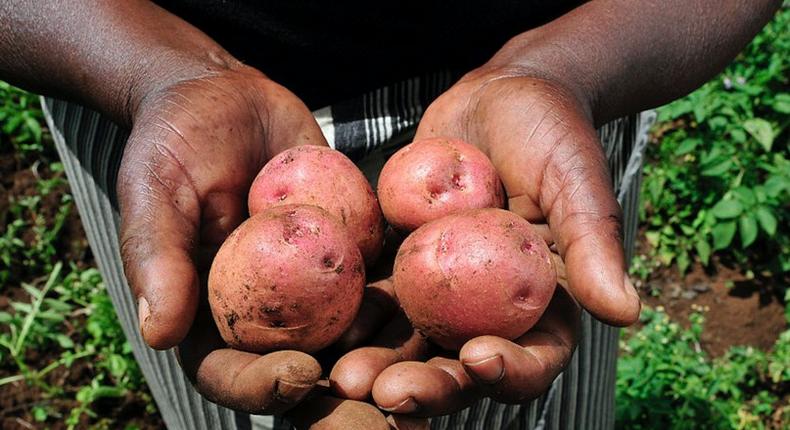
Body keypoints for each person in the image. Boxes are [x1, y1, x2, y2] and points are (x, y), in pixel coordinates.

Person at [0, 1, 781, 428]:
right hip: (148, 90)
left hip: (561, 86)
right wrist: (155, 75)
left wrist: (560, 71)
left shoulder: (518, 197)